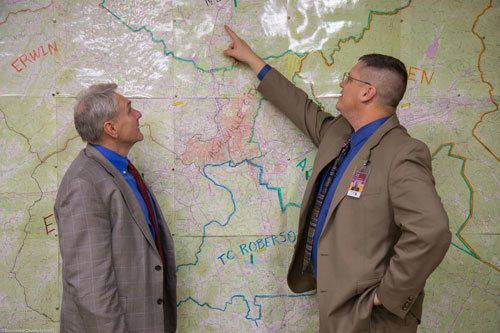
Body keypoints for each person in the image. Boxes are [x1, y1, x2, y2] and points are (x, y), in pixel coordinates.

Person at [223, 26, 451, 332]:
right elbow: (299, 106)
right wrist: (252, 59)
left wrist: (388, 294)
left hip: (369, 314)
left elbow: (431, 230)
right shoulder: (339, 134)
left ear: (367, 92)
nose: (342, 83)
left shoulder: (403, 152)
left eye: (349, 78)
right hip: (335, 302)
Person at [54, 83, 177, 332]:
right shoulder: (84, 184)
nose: (139, 114)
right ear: (111, 129)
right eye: (130, 110)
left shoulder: (122, 171)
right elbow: (90, 287)